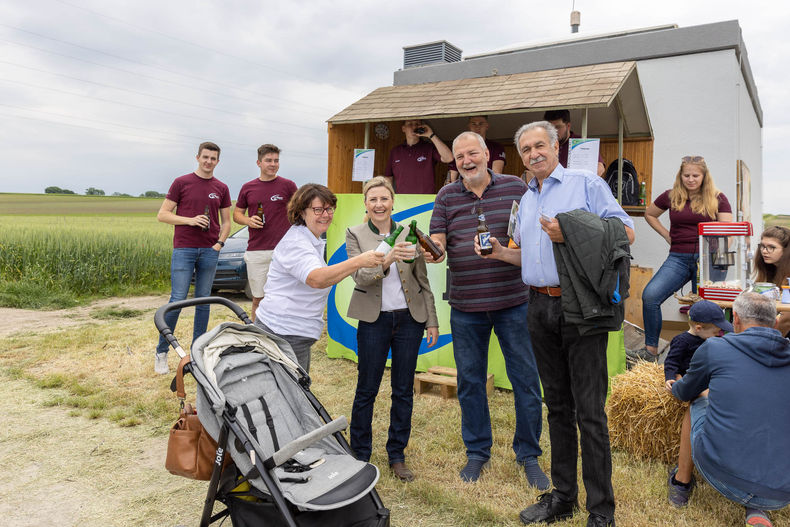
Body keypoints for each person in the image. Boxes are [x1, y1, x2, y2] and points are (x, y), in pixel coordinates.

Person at [481, 121, 634, 527]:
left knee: (590, 412)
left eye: (540, 146)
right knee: (558, 407)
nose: (534, 154)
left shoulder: (585, 183)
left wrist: (571, 232)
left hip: (580, 308)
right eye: (526, 149)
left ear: (555, 146)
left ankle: (601, 511)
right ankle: (564, 497)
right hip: (538, 307)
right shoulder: (527, 198)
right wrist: (500, 254)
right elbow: (533, 261)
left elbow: (626, 233)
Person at [424, 131, 547, 489]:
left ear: (486, 153)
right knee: (470, 383)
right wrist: (430, 249)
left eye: (472, 153)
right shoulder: (446, 196)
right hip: (466, 306)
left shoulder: (516, 188)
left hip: (515, 302)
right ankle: (477, 452)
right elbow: (440, 245)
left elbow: (534, 237)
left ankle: (529, 455)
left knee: (526, 381)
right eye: (459, 156)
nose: (466, 160)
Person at [667, 292, 790, 527]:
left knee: (696, 400)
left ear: (735, 320)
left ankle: (681, 483)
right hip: (782, 492)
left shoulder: (715, 348)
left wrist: (674, 386)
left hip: (723, 476)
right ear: (775, 323)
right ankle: (757, 506)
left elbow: (684, 392)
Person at [345, 177, 439, 482]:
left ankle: (397, 454)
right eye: (372, 199)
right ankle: (360, 455)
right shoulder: (355, 234)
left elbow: (423, 280)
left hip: (409, 321)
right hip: (374, 321)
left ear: (392, 201)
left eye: (384, 198)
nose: (379, 204)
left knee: (402, 391)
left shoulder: (411, 233)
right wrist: (387, 259)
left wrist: (432, 320)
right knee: (367, 390)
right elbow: (360, 277)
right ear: (366, 204)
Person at [253, 184, 383, 373]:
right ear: (301, 212)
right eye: (318, 209)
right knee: (293, 394)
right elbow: (316, 279)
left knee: (297, 390)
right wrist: (359, 261)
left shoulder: (312, 239)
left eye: (329, 209)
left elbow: (326, 277)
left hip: (292, 331)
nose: (325, 214)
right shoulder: (296, 243)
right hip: (283, 331)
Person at [633, 155, 732, 362]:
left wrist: (715, 260)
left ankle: (702, 356)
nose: (691, 179)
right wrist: (667, 235)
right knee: (650, 296)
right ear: (681, 175)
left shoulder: (718, 198)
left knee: (702, 310)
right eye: (686, 175)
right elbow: (650, 214)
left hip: (707, 260)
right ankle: (650, 350)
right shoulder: (671, 196)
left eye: (695, 175)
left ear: (704, 176)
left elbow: (728, 233)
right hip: (678, 257)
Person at [154, 141, 231, 375]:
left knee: (204, 302)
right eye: (205, 157)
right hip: (184, 249)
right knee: (177, 299)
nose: (209, 161)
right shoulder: (181, 182)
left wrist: (219, 244)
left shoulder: (221, 187)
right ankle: (162, 353)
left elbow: (226, 222)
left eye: (213, 158)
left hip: (210, 251)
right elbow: (162, 215)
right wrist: (190, 220)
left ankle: (197, 353)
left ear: (218, 161)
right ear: (197, 157)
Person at [663, 300, 732, 509]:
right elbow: (671, 362)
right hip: (690, 379)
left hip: (707, 378)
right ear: (699, 328)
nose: (719, 334)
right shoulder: (681, 341)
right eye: (716, 331)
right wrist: (671, 378)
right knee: (697, 396)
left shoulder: (711, 341)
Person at [233, 144, 298, 321]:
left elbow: (299, 211)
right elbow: (237, 214)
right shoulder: (248, 187)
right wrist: (248, 220)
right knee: (258, 299)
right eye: (268, 160)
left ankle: (284, 334)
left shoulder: (288, 186)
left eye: (276, 161)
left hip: (284, 251)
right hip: (257, 251)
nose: (273, 164)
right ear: (259, 163)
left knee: (285, 298)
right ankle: (258, 337)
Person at [385, 119, 453, 194]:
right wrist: (390, 196)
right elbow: (388, 177)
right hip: (402, 202)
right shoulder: (395, 151)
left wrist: (431, 135)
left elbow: (449, 158)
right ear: (403, 128)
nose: (414, 127)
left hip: (425, 201)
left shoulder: (429, 148)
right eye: (410, 124)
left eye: (417, 124)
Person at [445, 116, 507, 184]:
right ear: (469, 126)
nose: (477, 127)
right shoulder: (460, 149)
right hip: (464, 188)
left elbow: (496, 174)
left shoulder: (496, 147)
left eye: (481, 124)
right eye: (474, 124)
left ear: (487, 126)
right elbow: (451, 180)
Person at [543, 109, 605, 176]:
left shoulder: (581, 142)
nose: (553, 131)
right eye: (550, 128)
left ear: (568, 126)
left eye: (558, 127)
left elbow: (600, 168)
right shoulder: (543, 143)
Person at [753, 225, 790, 336]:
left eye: (771, 247)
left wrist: (765, 342)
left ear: (786, 250)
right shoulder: (769, 268)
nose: (764, 251)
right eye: (762, 246)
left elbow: (787, 320)